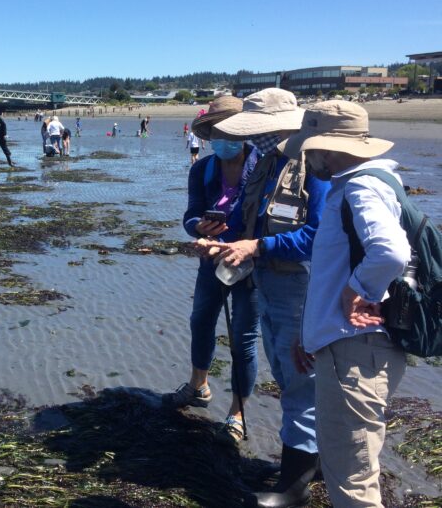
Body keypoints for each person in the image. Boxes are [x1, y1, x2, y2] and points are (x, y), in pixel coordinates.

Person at [197, 88, 331, 508]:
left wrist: (257, 248)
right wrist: (220, 243)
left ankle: (294, 487)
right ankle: (317, 460)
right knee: (290, 372)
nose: (249, 140)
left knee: (298, 380)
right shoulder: (269, 164)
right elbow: (243, 221)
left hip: (302, 288)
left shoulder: (315, 168)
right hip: (267, 284)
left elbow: (319, 236)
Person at [280, 101, 410, 508]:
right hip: (351, 346)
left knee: (352, 478)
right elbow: (331, 273)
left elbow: (390, 253)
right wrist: (311, 336)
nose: (307, 158)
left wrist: (359, 290)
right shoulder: (370, 183)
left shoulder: (359, 187)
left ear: (327, 147)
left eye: (310, 149)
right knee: (352, 465)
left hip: (355, 350)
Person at [172, 96, 260, 445]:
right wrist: (198, 229)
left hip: (251, 263)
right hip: (210, 260)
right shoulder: (202, 169)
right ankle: (199, 384)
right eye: (216, 132)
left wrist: (248, 243)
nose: (222, 138)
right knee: (200, 320)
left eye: (229, 131)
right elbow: (191, 214)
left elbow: (270, 221)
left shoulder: (264, 167)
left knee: (244, 337)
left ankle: (237, 411)